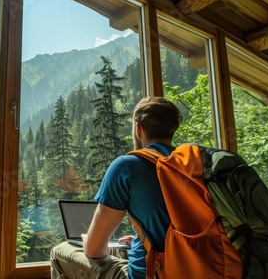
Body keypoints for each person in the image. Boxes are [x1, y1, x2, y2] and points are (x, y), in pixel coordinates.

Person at [50, 96, 183, 279]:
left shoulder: (128, 165)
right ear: (172, 129)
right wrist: (140, 238)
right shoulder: (192, 164)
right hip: (197, 269)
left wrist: (88, 240)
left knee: (59, 252)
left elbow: (94, 251)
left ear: (138, 128)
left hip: (149, 274)